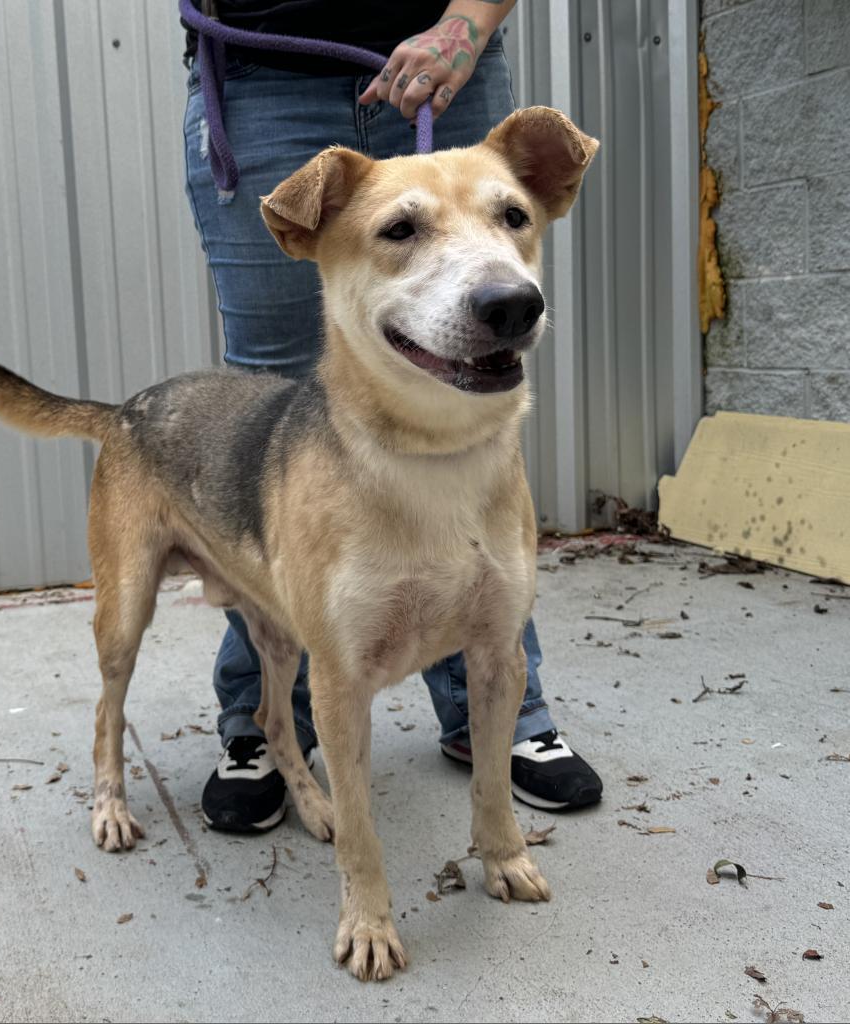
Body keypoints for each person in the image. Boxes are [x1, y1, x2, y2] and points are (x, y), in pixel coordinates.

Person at [181, 0, 603, 833]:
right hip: (261, 77)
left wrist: (467, 25)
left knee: (476, 398)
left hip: (453, 57)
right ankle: (271, 715)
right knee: (271, 394)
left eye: (515, 217)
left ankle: (499, 703)